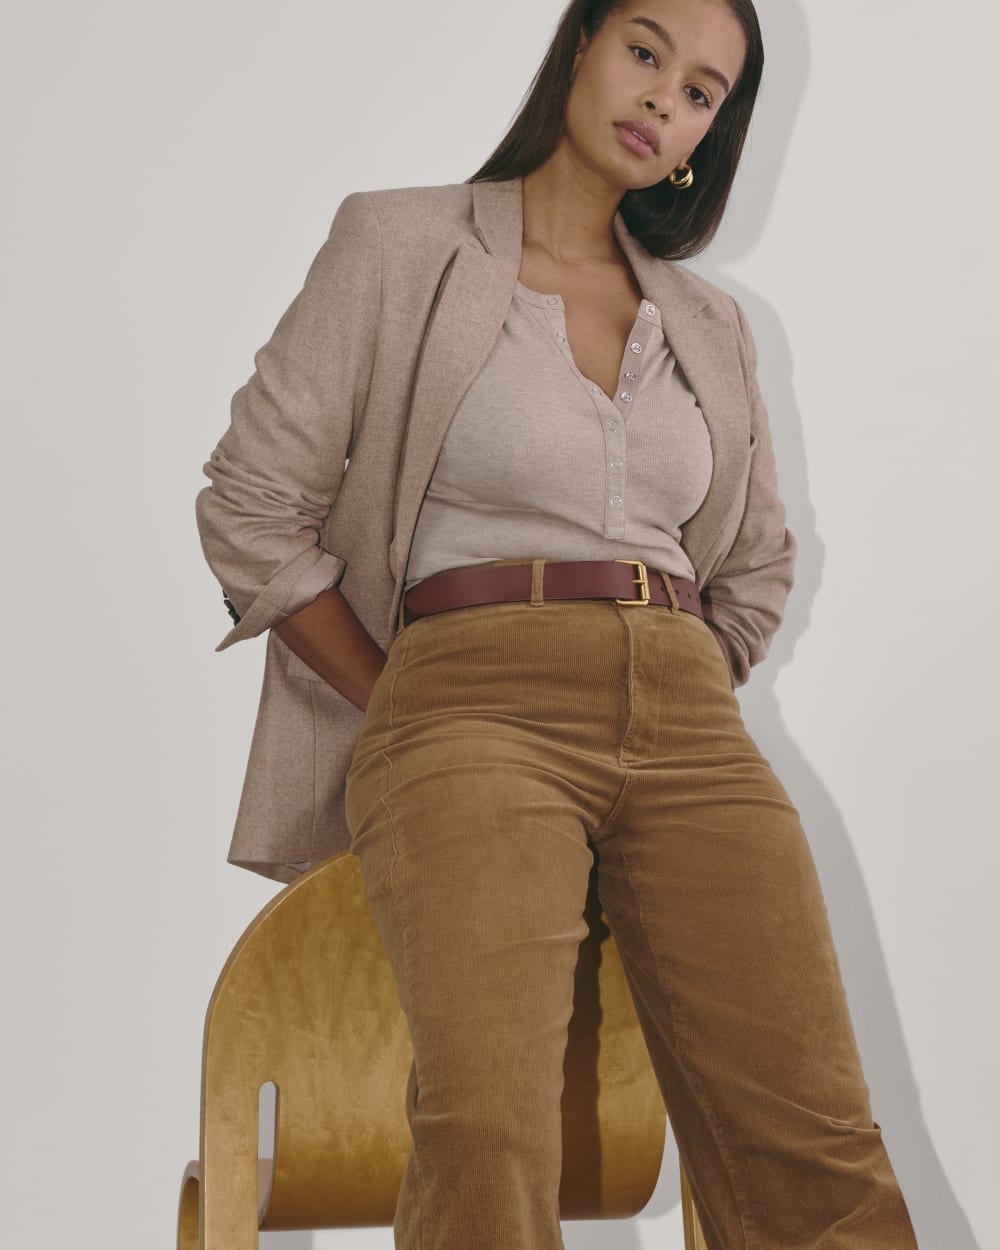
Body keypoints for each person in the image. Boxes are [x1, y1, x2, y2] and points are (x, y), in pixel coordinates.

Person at [196, 0, 921, 1246]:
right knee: (490, 1129)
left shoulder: (710, 325)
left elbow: (754, 564)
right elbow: (251, 504)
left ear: (706, 135)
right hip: (467, 701)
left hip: (688, 722)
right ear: (579, 45)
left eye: (700, 92)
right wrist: (402, 697)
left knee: (813, 1133)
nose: (663, 99)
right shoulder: (401, 243)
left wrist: (681, 664)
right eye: (645, 51)